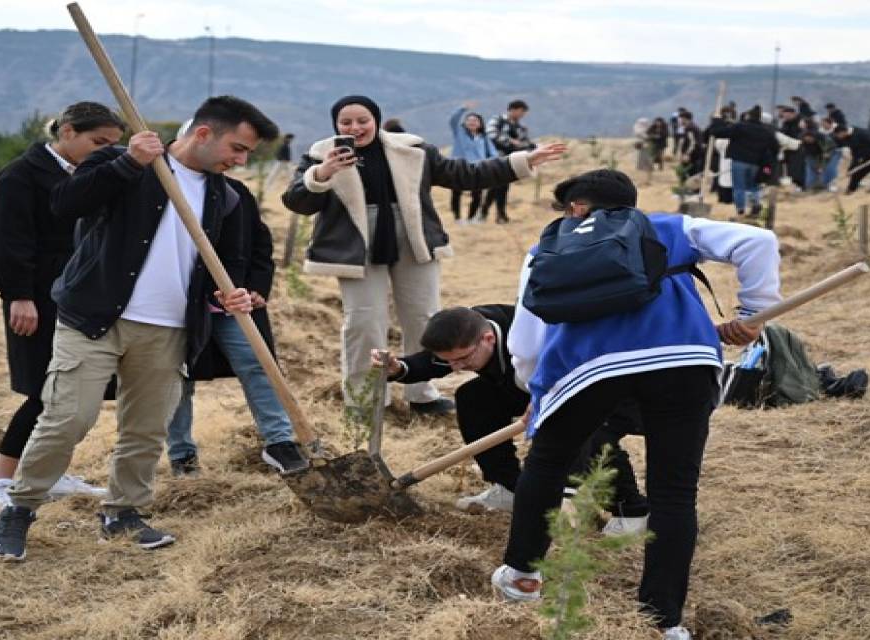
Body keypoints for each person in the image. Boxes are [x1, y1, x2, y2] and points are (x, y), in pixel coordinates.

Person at [0, 96, 278, 562]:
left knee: (145, 430)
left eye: (246, 155)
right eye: (237, 148)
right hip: (96, 318)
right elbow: (65, 204)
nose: (240, 160)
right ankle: (18, 509)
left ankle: (123, 514)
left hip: (169, 330)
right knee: (67, 418)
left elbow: (235, 261)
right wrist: (129, 165)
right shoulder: (126, 162)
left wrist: (237, 292)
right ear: (204, 133)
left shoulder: (229, 196)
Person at [491, 169, 782, 640]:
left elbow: (526, 341)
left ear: (576, 208)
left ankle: (523, 576)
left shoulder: (547, 247)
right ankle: (662, 620)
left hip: (587, 369)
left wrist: (537, 394)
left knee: (547, 462)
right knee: (673, 492)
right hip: (681, 360)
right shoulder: (667, 227)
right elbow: (759, 242)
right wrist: (751, 314)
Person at [282, 95, 564, 417]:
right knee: (363, 322)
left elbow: (464, 174)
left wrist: (522, 161)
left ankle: (422, 394)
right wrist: (322, 174)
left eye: (362, 120)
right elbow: (296, 201)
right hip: (355, 249)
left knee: (423, 317)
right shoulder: (320, 154)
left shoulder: (412, 149)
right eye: (346, 122)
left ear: (376, 119)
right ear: (336, 125)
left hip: (414, 241)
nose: (355, 127)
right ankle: (366, 399)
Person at [370, 306, 649, 532]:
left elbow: (579, 382)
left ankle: (633, 511)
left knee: (591, 431)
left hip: (611, 389)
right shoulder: (470, 328)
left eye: (463, 360)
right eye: (451, 361)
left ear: (488, 339)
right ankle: (511, 487)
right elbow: (439, 359)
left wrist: (564, 488)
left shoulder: (532, 337)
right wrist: (400, 368)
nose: (455, 368)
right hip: (532, 386)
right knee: (474, 397)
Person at [0, 102, 127, 510]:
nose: (105, 152)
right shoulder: (20, 177)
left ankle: (50, 471)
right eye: (98, 142)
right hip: (37, 297)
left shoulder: (91, 177)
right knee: (46, 390)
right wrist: (18, 295)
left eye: (113, 145)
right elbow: (7, 243)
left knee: (72, 394)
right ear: (67, 132)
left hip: (79, 297)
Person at [165, 136, 308, 477]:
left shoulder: (235, 194)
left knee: (259, 364)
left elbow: (260, 244)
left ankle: (280, 443)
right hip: (175, 305)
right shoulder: (162, 195)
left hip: (233, 303)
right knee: (176, 377)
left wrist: (257, 287)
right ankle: (181, 454)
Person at [706, 105, 779, 217]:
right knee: (753, 187)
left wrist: (716, 121)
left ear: (748, 116)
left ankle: (740, 211)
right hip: (756, 163)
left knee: (739, 187)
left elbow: (718, 132)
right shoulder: (765, 131)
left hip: (739, 161)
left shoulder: (740, 127)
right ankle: (755, 206)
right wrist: (766, 159)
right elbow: (775, 147)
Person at [482, 99, 536, 223]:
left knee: (501, 187)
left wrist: (533, 147)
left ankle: (494, 214)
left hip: (511, 160)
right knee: (496, 186)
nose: (522, 115)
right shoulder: (497, 120)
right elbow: (491, 134)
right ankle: (493, 214)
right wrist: (510, 141)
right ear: (513, 110)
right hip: (494, 159)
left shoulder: (520, 127)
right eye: (521, 112)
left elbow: (524, 142)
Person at [448, 102, 500, 223]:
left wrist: (494, 163)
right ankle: (457, 218)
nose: (472, 122)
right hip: (459, 166)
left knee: (477, 195)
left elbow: (493, 153)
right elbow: (452, 120)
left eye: (475, 120)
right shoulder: (459, 132)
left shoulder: (483, 137)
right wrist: (463, 108)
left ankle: (471, 218)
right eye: (469, 120)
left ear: (480, 123)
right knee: (456, 193)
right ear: (465, 123)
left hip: (478, 169)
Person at [834, 124, 870, 194]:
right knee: (857, 173)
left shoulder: (861, 132)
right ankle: (850, 190)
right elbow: (856, 155)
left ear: (842, 132)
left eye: (838, 135)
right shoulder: (847, 139)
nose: (839, 138)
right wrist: (851, 168)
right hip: (868, 157)